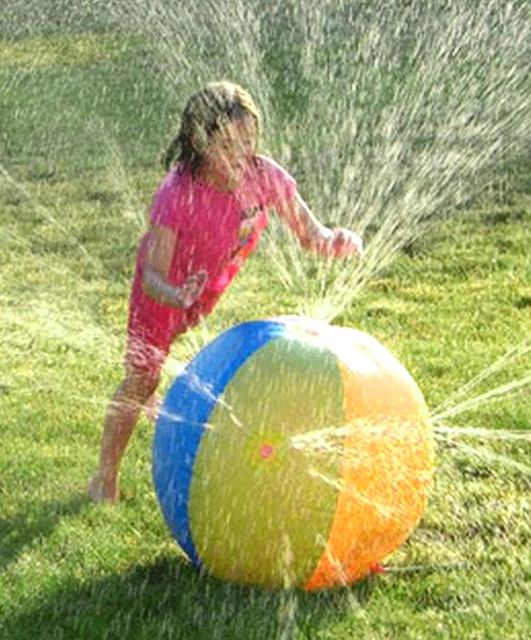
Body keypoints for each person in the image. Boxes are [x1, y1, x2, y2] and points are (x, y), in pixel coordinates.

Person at [87, 80, 362, 502]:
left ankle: (154, 402)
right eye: (227, 145)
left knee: (155, 373)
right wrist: (175, 295)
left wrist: (336, 240)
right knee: (142, 377)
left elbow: (311, 234)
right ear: (199, 142)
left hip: (206, 288)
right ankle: (104, 478)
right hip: (164, 296)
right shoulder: (177, 194)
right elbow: (152, 277)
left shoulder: (264, 175)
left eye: (248, 142)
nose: (240, 155)